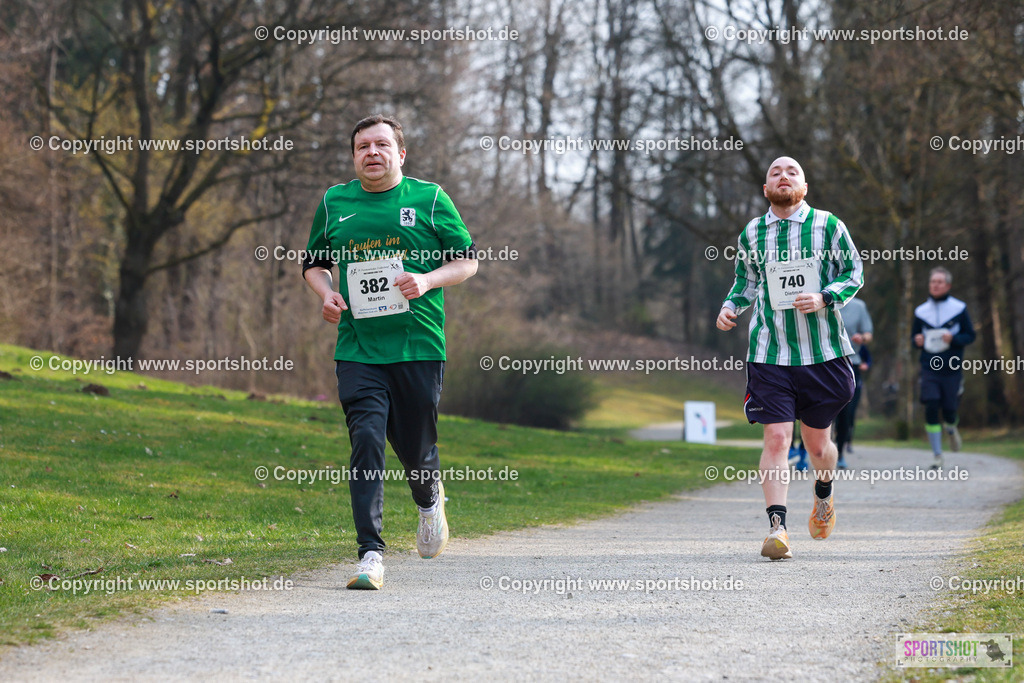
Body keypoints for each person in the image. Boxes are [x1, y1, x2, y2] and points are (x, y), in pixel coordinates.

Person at [302, 115, 478, 589]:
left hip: (418, 344)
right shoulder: (334, 202)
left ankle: (428, 501)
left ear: (401, 154)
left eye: (382, 145)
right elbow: (315, 264)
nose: (372, 153)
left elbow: (467, 260)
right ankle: (370, 554)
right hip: (358, 348)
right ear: (354, 155)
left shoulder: (430, 199)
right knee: (366, 439)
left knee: (416, 446)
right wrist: (325, 293)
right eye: (363, 146)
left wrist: (427, 280)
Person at [717, 156, 863, 560]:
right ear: (766, 189)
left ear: (804, 186)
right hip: (769, 352)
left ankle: (824, 493)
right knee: (778, 437)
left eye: (792, 171)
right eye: (775, 173)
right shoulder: (752, 232)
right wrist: (730, 308)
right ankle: (778, 528)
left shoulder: (829, 225)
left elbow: (854, 272)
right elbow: (744, 282)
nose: (784, 176)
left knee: (818, 447)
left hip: (823, 353)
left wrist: (824, 296)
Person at [912, 267, 975, 469]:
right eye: (932, 282)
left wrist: (954, 338)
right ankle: (937, 455)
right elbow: (914, 339)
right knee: (931, 405)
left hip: (952, 367)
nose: (935, 285)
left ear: (948, 285)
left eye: (939, 282)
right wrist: (917, 340)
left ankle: (951, 427)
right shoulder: (921, 312)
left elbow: (970, 335)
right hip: (929, 366)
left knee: (949, 409)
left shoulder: (959, 308)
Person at [834, 297, 873, 467]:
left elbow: (868, 334)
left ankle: (840, 452)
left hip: (851, 363)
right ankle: (815, 451)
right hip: (823, 363)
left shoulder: (858, 306)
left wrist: (862, 338)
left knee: (846, 412)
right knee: (820, 409)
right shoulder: (818, 299)